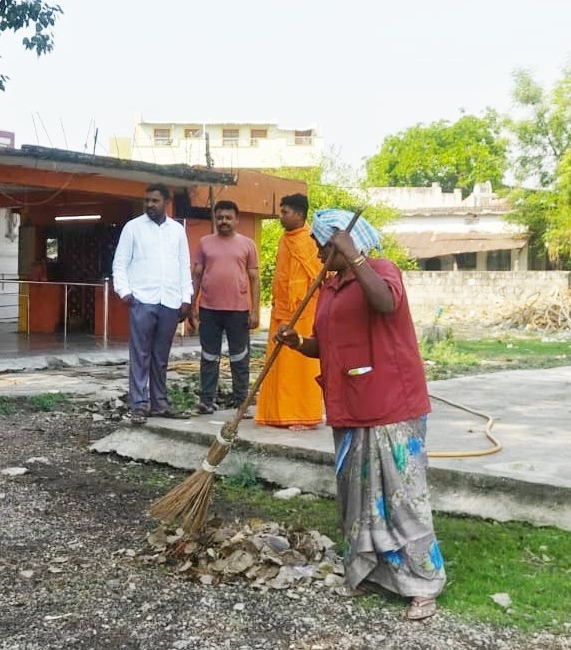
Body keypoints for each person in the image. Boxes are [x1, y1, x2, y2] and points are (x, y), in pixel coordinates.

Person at [275, 209, 445, 621]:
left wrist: (354, 257)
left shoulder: (382, 270)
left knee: (402, 499)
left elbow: (385, 304)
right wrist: (298, 341)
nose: (317, 257)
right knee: (358, 498)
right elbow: (328, 345)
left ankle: (422, 584)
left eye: (321, 246)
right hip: (349, 405)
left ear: (342, 242)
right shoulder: (331, 289)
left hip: (390, 404)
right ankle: (371, 570)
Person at [112, 183, 192, 424]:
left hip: (169, 300)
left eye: (154, 201)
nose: (149, 205)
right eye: (146, 200)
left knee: (161, 357)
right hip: (142, 301)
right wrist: (124, 292)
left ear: (166, 202)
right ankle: (138, 404)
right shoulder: (133, 228)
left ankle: (159, 404)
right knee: (140, 355)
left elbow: (183, 265)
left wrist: (186, 297)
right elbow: (120, 263)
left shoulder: (177, 230)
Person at [255, 193, 324, 429]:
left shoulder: (311, 240)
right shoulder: (284, 240)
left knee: (301, 366)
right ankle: (276, 414)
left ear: (300, 214)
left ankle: (303, 416)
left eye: (285, 212)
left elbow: (322, 276)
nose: (280, 216)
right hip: (281, 311)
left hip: (305, 312)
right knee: (279, 365)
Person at [190, 200, 259, 414]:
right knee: (209, 356)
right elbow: (197, 275)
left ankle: (242, 403)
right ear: (215, 219)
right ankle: (206, 401)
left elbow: (255, 278)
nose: (223, 221)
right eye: (219, 217)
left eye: (228, 217)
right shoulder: (204, 243)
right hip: (209, 310)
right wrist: (192, 306)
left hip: (238, 311)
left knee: (240, 357)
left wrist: (255, 311)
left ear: (236, 219)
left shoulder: (248, 244)